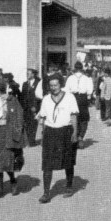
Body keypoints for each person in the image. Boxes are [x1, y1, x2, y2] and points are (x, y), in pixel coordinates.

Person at [36, 73, 80, 203]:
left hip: (65, 131)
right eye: (51, 85)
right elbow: (42, 118)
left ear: (61, 85)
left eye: (56, 85)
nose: (53, 88)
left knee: (68, 161)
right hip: (50, 132)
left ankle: (69, 186)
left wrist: (75, 133)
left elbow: (73, 116)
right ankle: (46, 193)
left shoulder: (70, 97)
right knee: (47, 163)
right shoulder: (46, 99)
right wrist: (41, 134)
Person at [64, 62, 94, 148]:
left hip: (73, 98)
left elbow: (66, 90)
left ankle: (75, 136)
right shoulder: (87, 78)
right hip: (83, 99)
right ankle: (81, 137)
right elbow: (90, 91)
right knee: (84, 119)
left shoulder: (70, 78)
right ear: (81, 69)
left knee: (74, 117)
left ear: (75, 68)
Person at [20, 68, 41, 147]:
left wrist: (36, 107)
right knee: (27, 124)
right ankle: (29, 140)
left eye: (28, 73)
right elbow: (23, 96)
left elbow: (39, 96)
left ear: (33, 74)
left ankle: (32, 141)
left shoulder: (38, 83)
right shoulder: (25, 84)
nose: (27, 75)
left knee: (33, 124)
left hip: (34, 107)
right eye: (27, 73)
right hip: (26, 108)